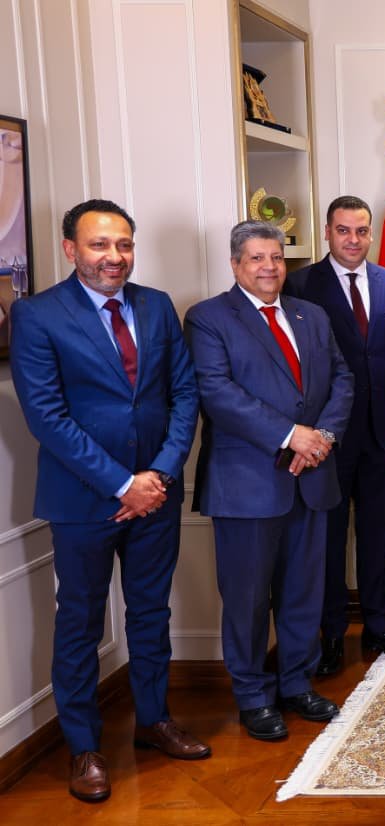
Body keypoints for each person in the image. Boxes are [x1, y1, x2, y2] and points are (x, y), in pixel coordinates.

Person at [10, 199, 207, 802]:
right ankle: (84, 748)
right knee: (80, 622)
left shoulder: (156, 306)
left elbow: (184, 395)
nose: (114, 257)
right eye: (100, 245)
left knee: (151, 614)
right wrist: (124, 485)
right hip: (83, 502)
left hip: (157, 496)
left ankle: (154, 721)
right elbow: (47, 417)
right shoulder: (36, 314)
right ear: (71, 249)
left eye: (123, 244)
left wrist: (160, 476)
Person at [185, 221, 354, 741]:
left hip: (313, 475)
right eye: (257, 258)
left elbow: (343, 379)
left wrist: (322, 436)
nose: (269, 267)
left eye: (276, 257)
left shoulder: (311, 314)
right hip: (247, 484)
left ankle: (296, 684)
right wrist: (290, 436)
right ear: (235, 264)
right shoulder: (209, 318)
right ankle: (254, 697)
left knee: (304, 592)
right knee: (248, 599)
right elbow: (217, 392)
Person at [285, 195, 385, 675]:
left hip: (383, 434)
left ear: (371, 233)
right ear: (327, 232)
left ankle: (379, 628)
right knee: (326, 539)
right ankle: (330, 636)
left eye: (361, 231)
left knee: (377, 535)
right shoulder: (301, 284)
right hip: (327, 437)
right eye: (343, 230)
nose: (353, 239)